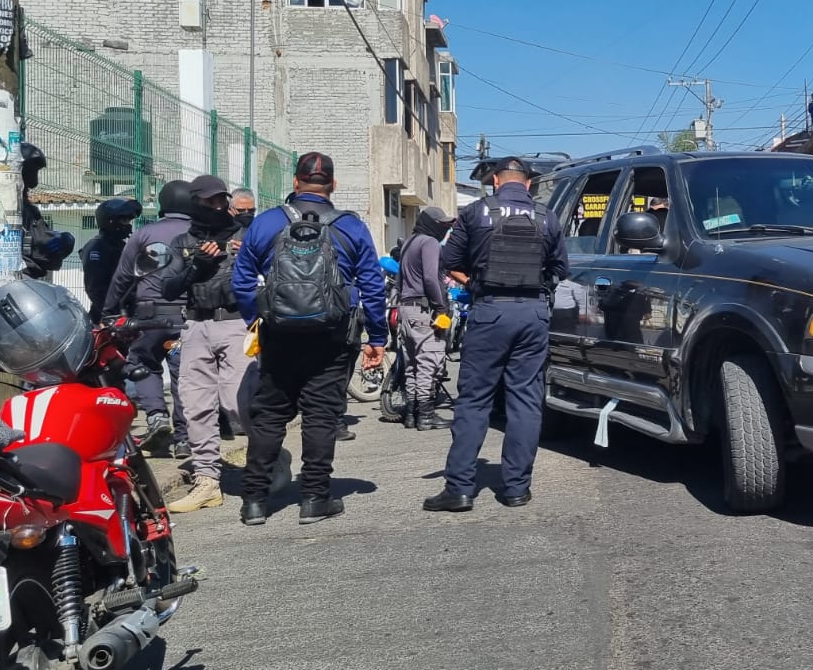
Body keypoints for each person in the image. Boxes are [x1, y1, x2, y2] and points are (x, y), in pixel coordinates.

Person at [232, 152, 386, 525]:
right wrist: (377, 336)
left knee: (270, 414)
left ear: (296, 182)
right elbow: (372, 285)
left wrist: (260, 320)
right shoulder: (351, 227)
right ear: (332, 185)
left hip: (279, 334)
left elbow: (241, 282)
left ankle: (254, 501)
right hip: (333, 337)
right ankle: (315, 498)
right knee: (321, 415)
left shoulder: (267, 222)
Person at [424, 155, 568, 513]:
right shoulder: (546, 216)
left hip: (490, 311)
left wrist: (474, 283)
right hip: (533, 313)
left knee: (474, 400)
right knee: (525, 399)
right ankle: (517, 489)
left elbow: (449, 262)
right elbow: (561, 268)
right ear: (529, 184)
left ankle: (459, 489)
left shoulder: (475, 212)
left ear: (496, 182)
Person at [163, 175, 244, 513]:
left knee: (238, 400)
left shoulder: (244, 235)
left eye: (221, 200)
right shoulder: (182, 242)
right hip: (195, 324)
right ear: (194, 204)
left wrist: (246, 258)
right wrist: (198, 265)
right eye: (210, 201)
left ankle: (270, 460)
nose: (218, 206)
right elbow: (169, 288)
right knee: (196, 405)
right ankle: (207, 481)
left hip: (237, 322)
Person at [103, 179, 195, 451]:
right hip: (186, 319)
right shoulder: (200, 234)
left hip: (150, 317)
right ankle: (184, 440)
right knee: (183, 375)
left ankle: (156, 416)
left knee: (144, 361)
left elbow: (122, 277)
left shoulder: (144, 234)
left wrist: (108, 311)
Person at [395, 205, 454, 431]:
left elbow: (400, 279)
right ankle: (427, 416)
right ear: (430, 224)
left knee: (412, 365)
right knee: (429, 363)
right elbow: (431, 278)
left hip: (406, 309)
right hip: (424, 310)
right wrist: (440, 308)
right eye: (442, 225)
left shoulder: (410, 242)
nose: (445, 230)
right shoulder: (429, 243)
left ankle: (410, 414)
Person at [18, 143, 76, 280]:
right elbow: (40, 245)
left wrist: (64, 240)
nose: (34, 176)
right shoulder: (16, 206)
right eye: (32, 170)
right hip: (21, 275)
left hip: (28, 276)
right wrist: (64, 241)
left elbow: (41, 240)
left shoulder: (28, 208)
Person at [82, 197, 142, 324]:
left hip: (128, 314)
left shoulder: (120, 246)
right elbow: (95, 288)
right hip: (109, 319)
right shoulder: (97, 247)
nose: (129, 224)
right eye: (124, 219)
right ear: (110, 221)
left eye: (129, 220)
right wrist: (111, 315)